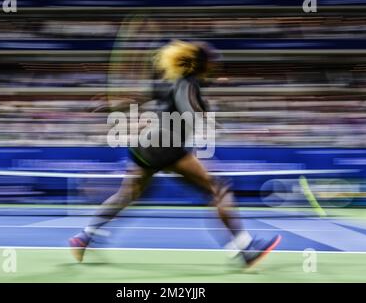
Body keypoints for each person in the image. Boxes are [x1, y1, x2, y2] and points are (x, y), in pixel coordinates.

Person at [69, 40, 281, 268]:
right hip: (167, 146)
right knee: (218, 189)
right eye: (212, 61)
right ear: (200, 64)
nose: (216, 64)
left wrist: (114, 107)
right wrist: (205, 117)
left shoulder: (170, 82)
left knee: (127, 195)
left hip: (145, 145)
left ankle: (84, 237)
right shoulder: (188, 83)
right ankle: (245, 248)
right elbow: (187, 106)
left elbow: (142, 100)